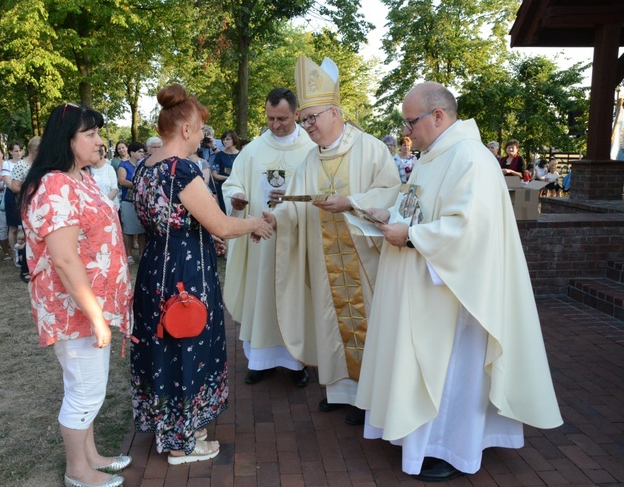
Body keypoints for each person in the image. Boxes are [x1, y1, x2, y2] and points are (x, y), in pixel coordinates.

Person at [355, 81, 563, 481]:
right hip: (426, 285)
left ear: (438, 116)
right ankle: (421, 439)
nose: (406, 133)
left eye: (411, 122)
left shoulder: (469, 157)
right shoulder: (434, 155)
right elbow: (418, 203)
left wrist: (412, 236)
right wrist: (390, 214)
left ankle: (450, 449)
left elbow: (468, 228)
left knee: (451, 372)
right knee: (430, 367)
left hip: (455, 292)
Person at [130, 83, 272, 465]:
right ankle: (182, 443)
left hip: (155, 266)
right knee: (186, 344)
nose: (203, 137)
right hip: (185, 272)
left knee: (166, 346)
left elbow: (178, 220)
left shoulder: (145, 166)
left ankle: (176, 424)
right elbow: (222, 224)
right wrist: (255, 223)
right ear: (187, 129)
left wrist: (207, 235)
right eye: (201, 129)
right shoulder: (182, 169)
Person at [263, 56, 401, 426]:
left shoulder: (371, 148)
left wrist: (351, 203)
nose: (307, 126)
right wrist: (276, 218)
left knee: (369, 321)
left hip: (365, 258)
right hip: (326, 259)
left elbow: (391, 193)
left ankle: (369, 396)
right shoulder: (309, 160)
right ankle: (341, 392)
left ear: (336, 113)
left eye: (312, 118)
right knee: (331, 321)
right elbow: (296, 204)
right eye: (304, 120)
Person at [19, 103, 133, 487]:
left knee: (88, 386)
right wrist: (97, 317)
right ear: (67, 140)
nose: (100, 141)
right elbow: (65, 259)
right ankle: (77, 471)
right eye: (91, 134)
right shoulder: (54, 184)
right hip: (74, 309)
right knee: (85, 391)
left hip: (86, 306)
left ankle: (92, 456)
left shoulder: (78, 178)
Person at [221, 87, 314, 386]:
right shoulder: (253, 150)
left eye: (282, 119)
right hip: (260, 242)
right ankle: (260, 361)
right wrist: (237, 196)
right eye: (270, 118)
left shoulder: (313, 148)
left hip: (296, 240)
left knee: (295, 298)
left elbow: (324, 189)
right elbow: (234, 183)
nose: (275, 125)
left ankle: (296, 363)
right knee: (260, 298)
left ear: (297, 114)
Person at [11, 136, 40, 281]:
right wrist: (32, 186)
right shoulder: (20, 166)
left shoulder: (41, 165)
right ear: (34, 150)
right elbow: (14, 186)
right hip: (27, 205)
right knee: (27, 237)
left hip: (41, 206)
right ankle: (25, 268)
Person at [117, 141, 146, 264]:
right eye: (139, 151)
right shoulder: (123, 165)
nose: (142, 153)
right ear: (132, 153)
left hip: (142, 201)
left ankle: (141, 253)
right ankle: (129, 255)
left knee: (142, 229)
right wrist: (139, 185)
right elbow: (122, 181)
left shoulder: (144, 165)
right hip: (128, 201)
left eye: (143, 151)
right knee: (128, 229)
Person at [2, 141, 24, 259]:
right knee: (13, 227)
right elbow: (7, 181)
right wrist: (17, 190)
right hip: (12, 195)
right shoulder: (6, 164)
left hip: (24, 194)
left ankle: (24, 252)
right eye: (16, 150)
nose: (19, 153)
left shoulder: (25, 162)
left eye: (20, 150)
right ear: (10, 152)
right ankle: (16, 253)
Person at [211, 130, 241, 214]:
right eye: (223, 139)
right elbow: (215, 175)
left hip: (238, 187)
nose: (225, 141)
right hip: (223, 188)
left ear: (234, 140)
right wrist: (229, 178)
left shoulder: (241, 155)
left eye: (228, 139)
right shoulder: (219, 155)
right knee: (224, 211)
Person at [90, 146, 120, 211]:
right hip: (94, 209)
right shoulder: (88, 171)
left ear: (100, 155)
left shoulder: (109, 168)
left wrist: (104, 203)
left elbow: (114, 189)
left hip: (111, 207)